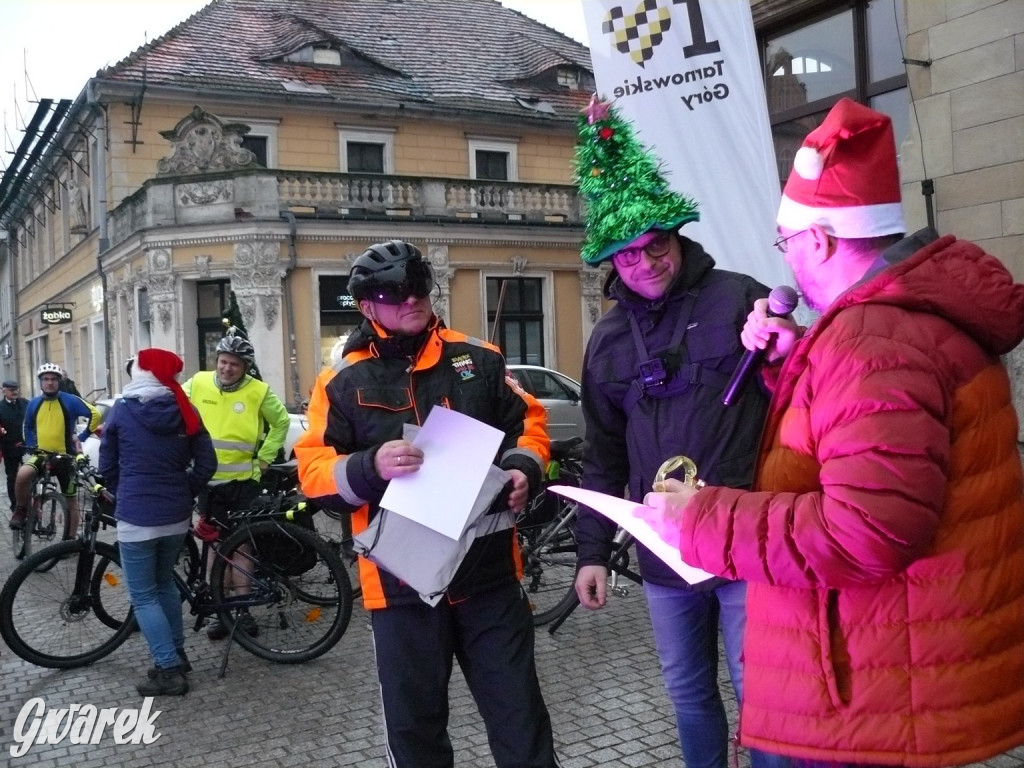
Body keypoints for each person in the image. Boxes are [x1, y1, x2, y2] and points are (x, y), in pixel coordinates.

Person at [639, 98, 1024, 767]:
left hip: (868, 696)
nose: (788, 261)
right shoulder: (889, 329)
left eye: (786, 244)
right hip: (891, 675)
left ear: (817, 239)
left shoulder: (872, 343)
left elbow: (864, 531)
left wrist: (701, 519)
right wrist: (798, 360)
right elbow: (858, 439)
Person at [570, 97, 778, 768]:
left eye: (654, 245)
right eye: (626, 256)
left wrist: (786, 346)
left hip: (746, 540)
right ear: (610, 262)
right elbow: (601, 456)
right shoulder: (605, 342)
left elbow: (792, 397)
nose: (645, 263)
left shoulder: (739, 294)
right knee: (689, 694)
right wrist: (592, 555)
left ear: (675, 236)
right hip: (664, 557)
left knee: (765, 695)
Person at [295, 239, 558, 768]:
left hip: (488, 578)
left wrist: (524, 467)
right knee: (416, 734)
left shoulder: (480, 359)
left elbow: (528, 426)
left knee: (521, 722)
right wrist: (370, 466)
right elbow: (312, 472)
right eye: (394, 292)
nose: (412, 299)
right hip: (399, 588)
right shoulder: (341, 381)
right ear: (367, 306)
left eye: (419, 286)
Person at [99, 349, 216, 696]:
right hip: (176, 517)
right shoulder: (185, 409)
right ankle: (177, 653)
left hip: (137, 516)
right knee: (164, 583)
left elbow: (107, 464)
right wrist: (184, 489)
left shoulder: (123, 408)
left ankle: (168, 669)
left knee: (143, 595)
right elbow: (207, 464)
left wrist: (122, 492)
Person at [182, 327, 290, 640]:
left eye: (235, 364)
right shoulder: (198, 383)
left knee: (242, 547)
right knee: (215, 548)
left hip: (244, 484)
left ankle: (243, 612)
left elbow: (281, 422)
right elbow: (175, 408)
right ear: (217, 360)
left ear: (245, 367)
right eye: (224, 361)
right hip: (209, 485)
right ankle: (221, 611)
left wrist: (265, 458)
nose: (227, 368)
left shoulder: (258, 391)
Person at [10, 363, 100, 533]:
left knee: (71, 500)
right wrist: (31, 445)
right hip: (41, 454)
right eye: (45, 379)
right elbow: (28, 426)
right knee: (22, 475)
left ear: (59, 382)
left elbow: (96, 414)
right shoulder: (34, 403)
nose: (49, 383)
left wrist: (82, 437)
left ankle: (70, 540)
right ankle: (21, 509)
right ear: (41, 382)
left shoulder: (70, 400)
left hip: (66, 457)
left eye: (53, 379)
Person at [0, 379, 29, 513]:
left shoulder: (25, 403)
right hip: (9, 447)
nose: (15, 392)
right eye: (11, 390)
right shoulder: (0, 407)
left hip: (27, 447)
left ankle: (28, 501)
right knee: (12, 477)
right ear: (3, 391)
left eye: (16, 389)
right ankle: (15, 504)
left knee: (29, 475)